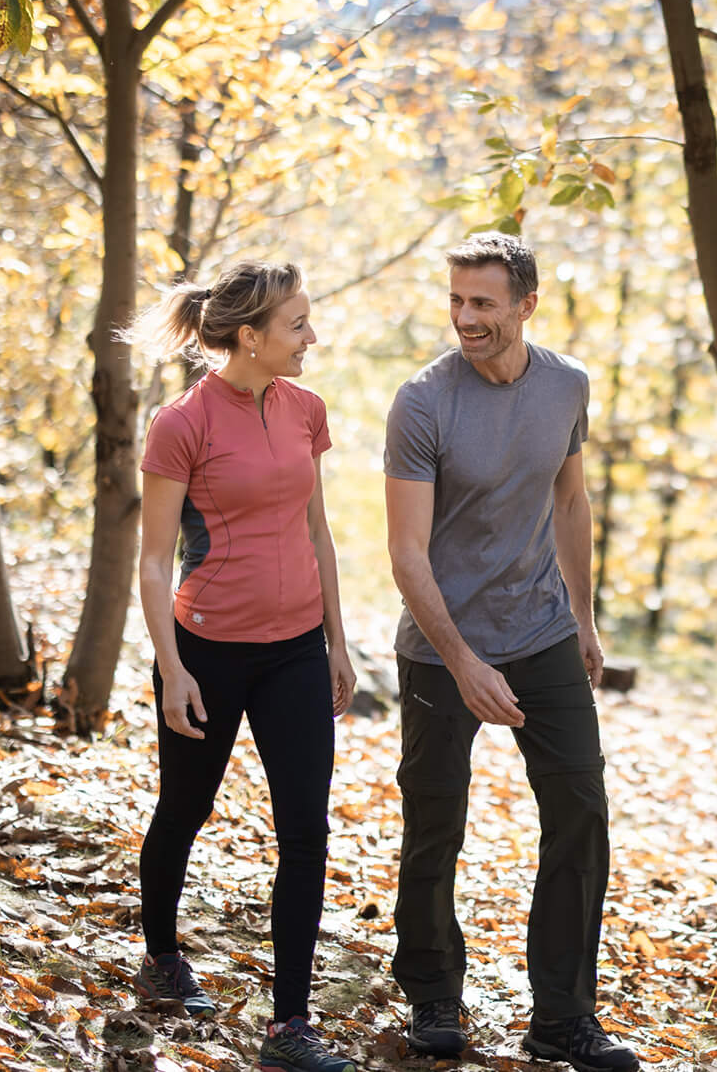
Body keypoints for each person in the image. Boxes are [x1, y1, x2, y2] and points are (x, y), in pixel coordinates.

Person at [384, 232, 639, 1072]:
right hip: (439, 647)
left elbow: (571, 499)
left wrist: (586, 619)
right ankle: (432, 995)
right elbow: (408, 553)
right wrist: (462, 661)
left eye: (483, 302)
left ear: (526, 304)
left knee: (581, 812)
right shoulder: (422, 402)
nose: (465, 318)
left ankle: (562, 1017)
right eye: (456, 300)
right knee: (435, 823)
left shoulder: (567, 384)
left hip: (542, 633)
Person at [128, 259, 361, 1072]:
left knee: (306, 830)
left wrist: (338, 639)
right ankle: (161, 959)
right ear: (251, 336)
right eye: (298, 323)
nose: (312, 336)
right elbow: (154, 561)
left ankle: (289, 1027)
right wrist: (173, 667)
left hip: (297, 649)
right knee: (183, 810)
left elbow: (319, 531)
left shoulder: (306, 409)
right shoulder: (181, 422)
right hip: (207, 653)